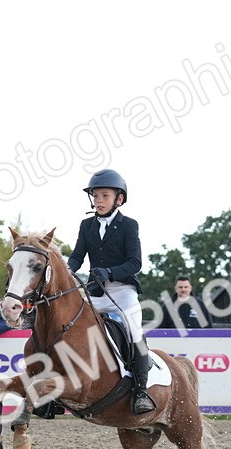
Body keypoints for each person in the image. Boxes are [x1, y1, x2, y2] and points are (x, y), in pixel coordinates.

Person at [67, 168, 155, 414]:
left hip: (122, 292)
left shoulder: (129, 225)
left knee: (134, 331)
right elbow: (77, 257)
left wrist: (111, 272)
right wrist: (64, 272)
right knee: (70, 328)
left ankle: (141, 391)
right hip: (95, 293)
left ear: (119, 199)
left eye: (104, 196)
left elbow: (135, 263)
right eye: (95, 196)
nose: (98, 201)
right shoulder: (86, 225)